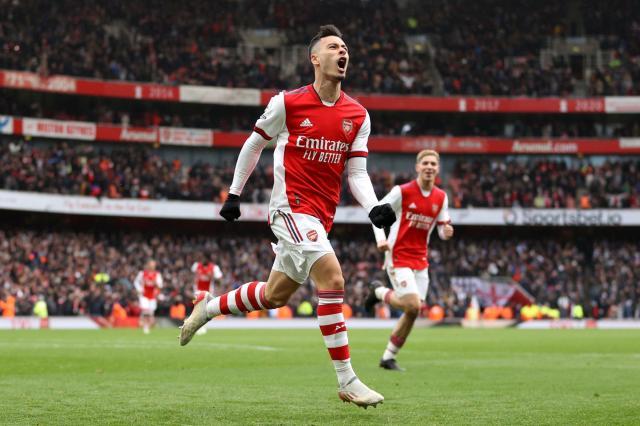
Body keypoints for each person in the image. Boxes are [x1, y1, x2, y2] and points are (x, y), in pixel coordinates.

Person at [180, 24, 395, 408]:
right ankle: (347, 380)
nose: (342, 52)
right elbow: (254, 144)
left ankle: (207, 307)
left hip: (320, 217)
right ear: (315, 58)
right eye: (334, 47)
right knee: (333, 278)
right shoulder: (288, 103)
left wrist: (373, 206)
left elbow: (357, 173)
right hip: (290, 208)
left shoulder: (358, 115)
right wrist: (234, 193)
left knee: (274, 294)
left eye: (345, 48)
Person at [365, 150, 454, 371]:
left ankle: (388, 357)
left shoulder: (441, 197)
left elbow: (442, 230)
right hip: (398, 255)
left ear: (438, 168)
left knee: (414, 310)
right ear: (417, 167)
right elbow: (376, 213)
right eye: (425, 163)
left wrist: (446, 232)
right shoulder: (402, 191)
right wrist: (381, 239)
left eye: (433, 163)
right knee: (412, 304)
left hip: (421, 260)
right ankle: (378, 292)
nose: (429, 167)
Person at [191, 253, 223, 334]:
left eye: (203, 258)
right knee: (197, 310)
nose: (202, 260)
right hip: (198, 292)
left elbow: (220, 280)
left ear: (208, 259)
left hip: (208, 293)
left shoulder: (214, 268)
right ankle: (197, 327)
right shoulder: (196, 266)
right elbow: (193, 276)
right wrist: (192, 285)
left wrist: (212, 277)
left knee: (205, 310)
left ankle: (202, 327)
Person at [134, 259, 163, 334]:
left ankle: (147, 325)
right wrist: (139, 289)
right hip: (144, 295)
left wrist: (156, 285)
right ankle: (145, 326)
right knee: (145, 311)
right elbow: (136, 282)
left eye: (154, 265)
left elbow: (160, 286)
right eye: (151, 265)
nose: (152, 266)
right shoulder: (142, 273)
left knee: (151, 312)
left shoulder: (157, 274)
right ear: (148, 265)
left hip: (153, 296)